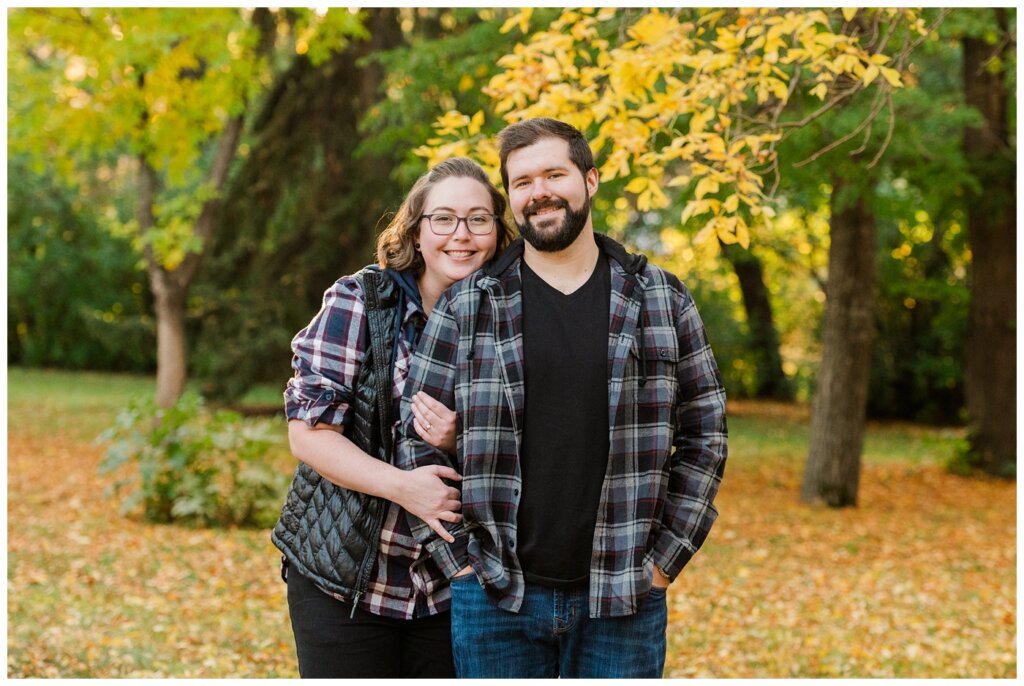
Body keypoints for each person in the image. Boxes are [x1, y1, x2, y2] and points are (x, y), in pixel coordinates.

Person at [396, 118, 728, 678]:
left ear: (590, 180)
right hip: (495, 596)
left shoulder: (660, 299)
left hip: (624, 595)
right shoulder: (469, 307)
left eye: (555, 173)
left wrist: (663, 565)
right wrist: (459, 565)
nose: (539, 191)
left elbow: (706, 436)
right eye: (522, 182)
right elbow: (418, 442)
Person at [271, 157, 513, 678]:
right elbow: (310, 435)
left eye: (479, 219)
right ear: (416, 232)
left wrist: (458, 439)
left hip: (455, 583)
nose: (461, 235)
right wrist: (404, 487)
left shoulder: (512, 319)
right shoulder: (361, 301)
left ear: (498, 230)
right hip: (347, 576)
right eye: (443, 219)